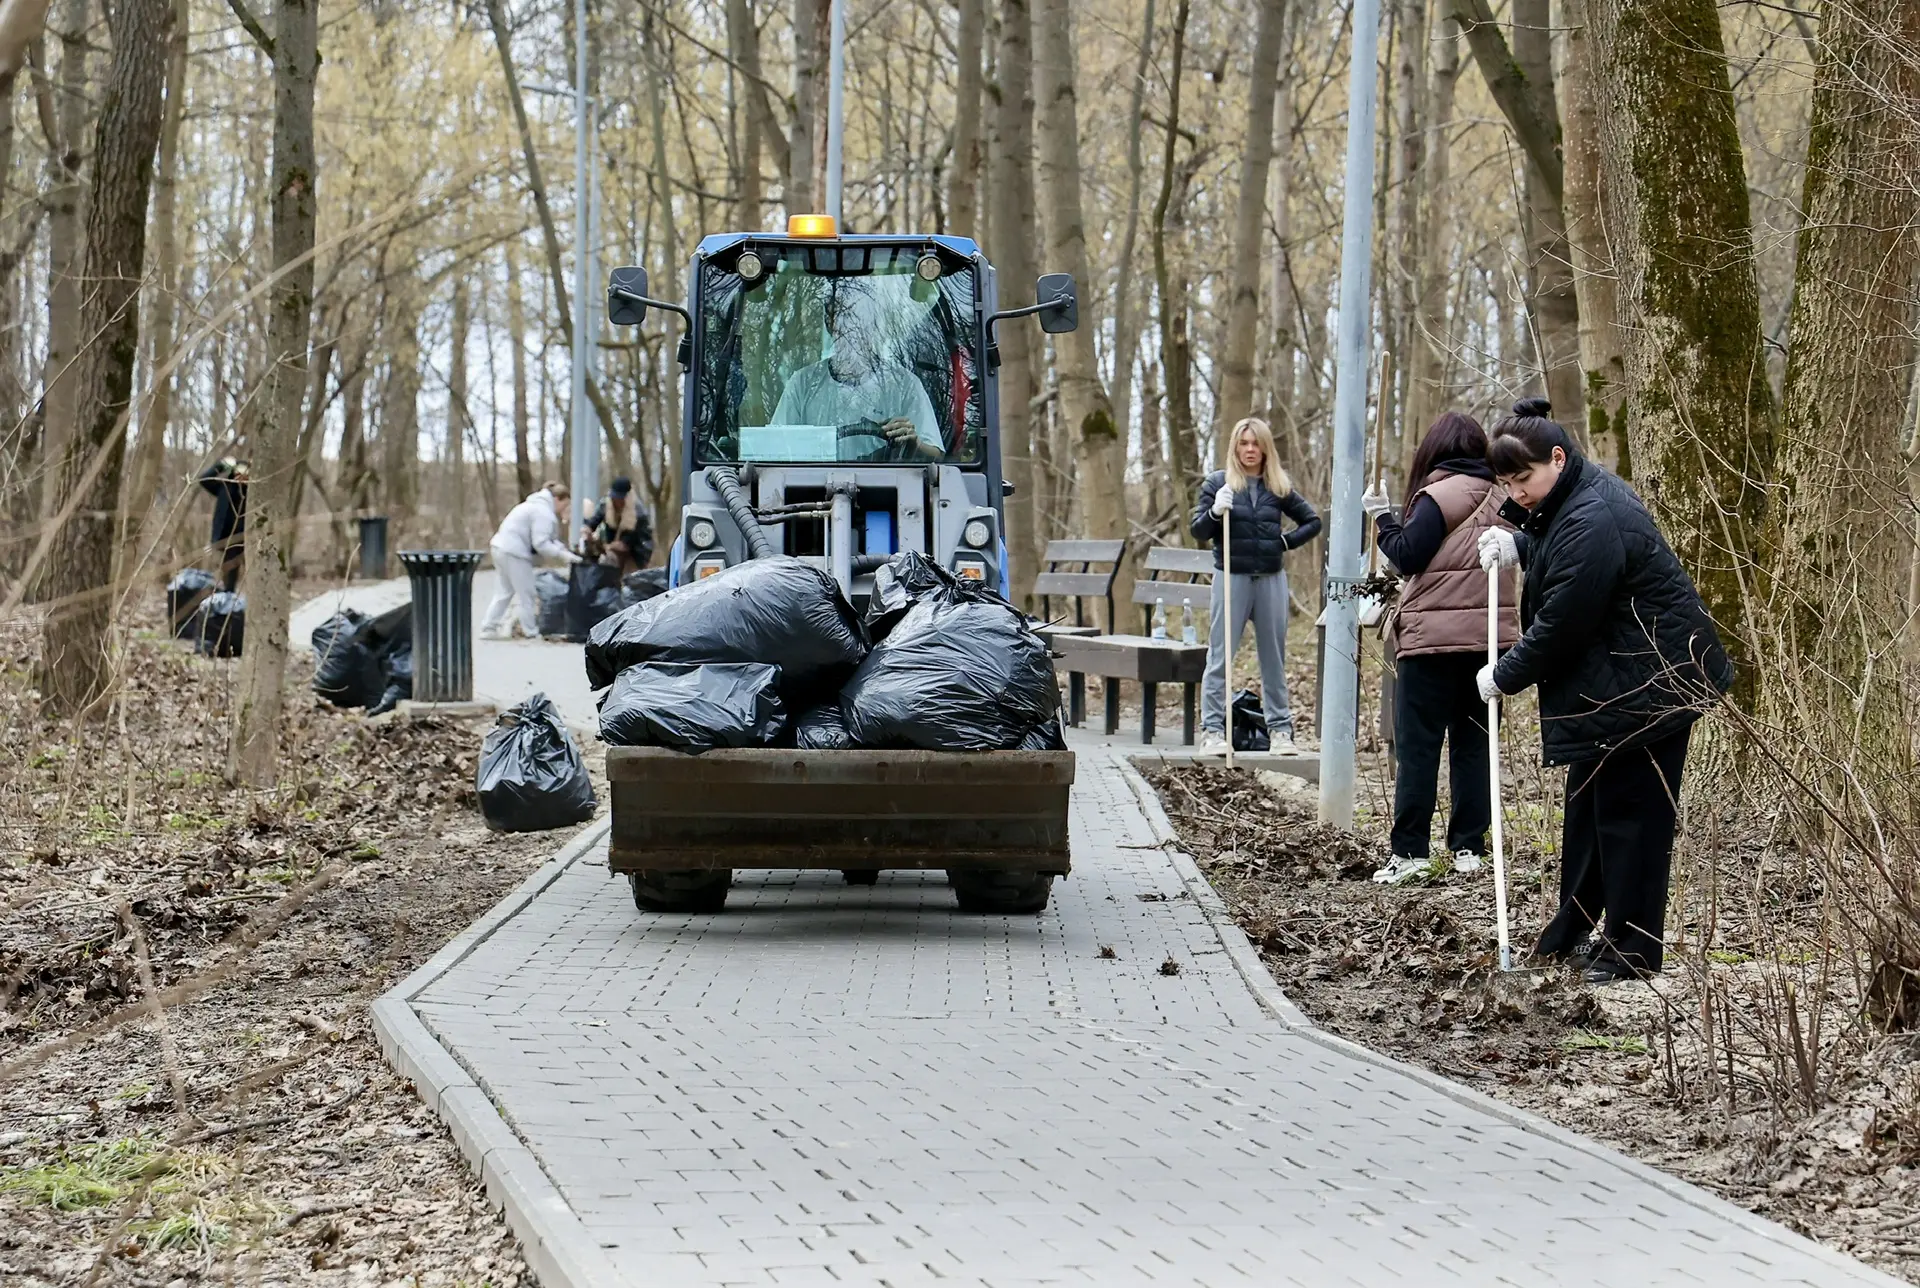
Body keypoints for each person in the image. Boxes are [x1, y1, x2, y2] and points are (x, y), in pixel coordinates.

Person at [1476, 399, 1733, 983]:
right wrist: (1523, 546)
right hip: (1615, 686)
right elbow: (1561, 550)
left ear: (1557, 458)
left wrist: (1504, 674)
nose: (1516, 494)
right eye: (1506, 484)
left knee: (1630, 820)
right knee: (1590, 814)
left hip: (1652, 686)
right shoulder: (1571, 499)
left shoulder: (1593, 516)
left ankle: (1632, 949)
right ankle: (1573, 929)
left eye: (1522, 479)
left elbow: (1563, 622)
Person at [1362, 413, 1519, 886]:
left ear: (1433, 451)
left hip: (1430, 645)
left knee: (1419, 748)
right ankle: (1469, 848)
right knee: (1475, 747)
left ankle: (1410, 852)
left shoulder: (1437, 496)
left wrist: (1382, 517)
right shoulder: (1507, 499)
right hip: (1488, 644)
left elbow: (1408, 555)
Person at [1190, 417, 1321, 753]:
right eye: (1244, 443)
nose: (1250, 449)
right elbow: (1198, 531)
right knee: (1220, 656)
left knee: (1273, 658)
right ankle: (1213, 731)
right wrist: (1215, 512)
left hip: (1270, 579)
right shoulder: (1218, 482)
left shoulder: (1277, 486)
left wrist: (1284, 542)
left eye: (1256, 443)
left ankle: (1280, 731)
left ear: (1265, 448)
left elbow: (1312, 521)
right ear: (1235, 446)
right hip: (1231, 577)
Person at [771, 295, 942, 461]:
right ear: (830, 325)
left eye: (861, 317)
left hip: (890, 480)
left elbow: (937, 457)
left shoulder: (904, 385)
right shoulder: (803, 383)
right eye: (843, 317)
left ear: (875, 325)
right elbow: (775, 449)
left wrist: (915, 444)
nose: (852, 328)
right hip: (809, 480)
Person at [482, 482, 582, 640]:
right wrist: (563, 556)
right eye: (565, 504)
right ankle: (530, 631)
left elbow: (549, 539)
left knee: (504, 591)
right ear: (558, 499)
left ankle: (488, 627)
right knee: (527, 593)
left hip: (500, 547)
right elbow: (541, 543)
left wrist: (563, 550)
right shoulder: (544, 512)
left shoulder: (533, 505)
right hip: (515, 552)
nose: (563, 509)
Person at [585, 476, 654, 575]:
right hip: (613, 548)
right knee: (605, 567)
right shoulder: (606, 504)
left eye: (620, 498)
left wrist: (612, 546)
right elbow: (594, 520)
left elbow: (630, 541)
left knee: (630, 578)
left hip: (636, 551)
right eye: (614, 497)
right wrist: (588, 530)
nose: (616, 501)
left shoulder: (639, 513)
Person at [198, 457, 249, 591]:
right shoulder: (225, 487)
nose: (241, 478)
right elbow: (204, 480)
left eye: (244, 474)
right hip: (228, 537)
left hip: (246, 536)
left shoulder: (251, 492)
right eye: (238, 473)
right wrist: (221, 465)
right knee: (229, 572)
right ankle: (228, 596)